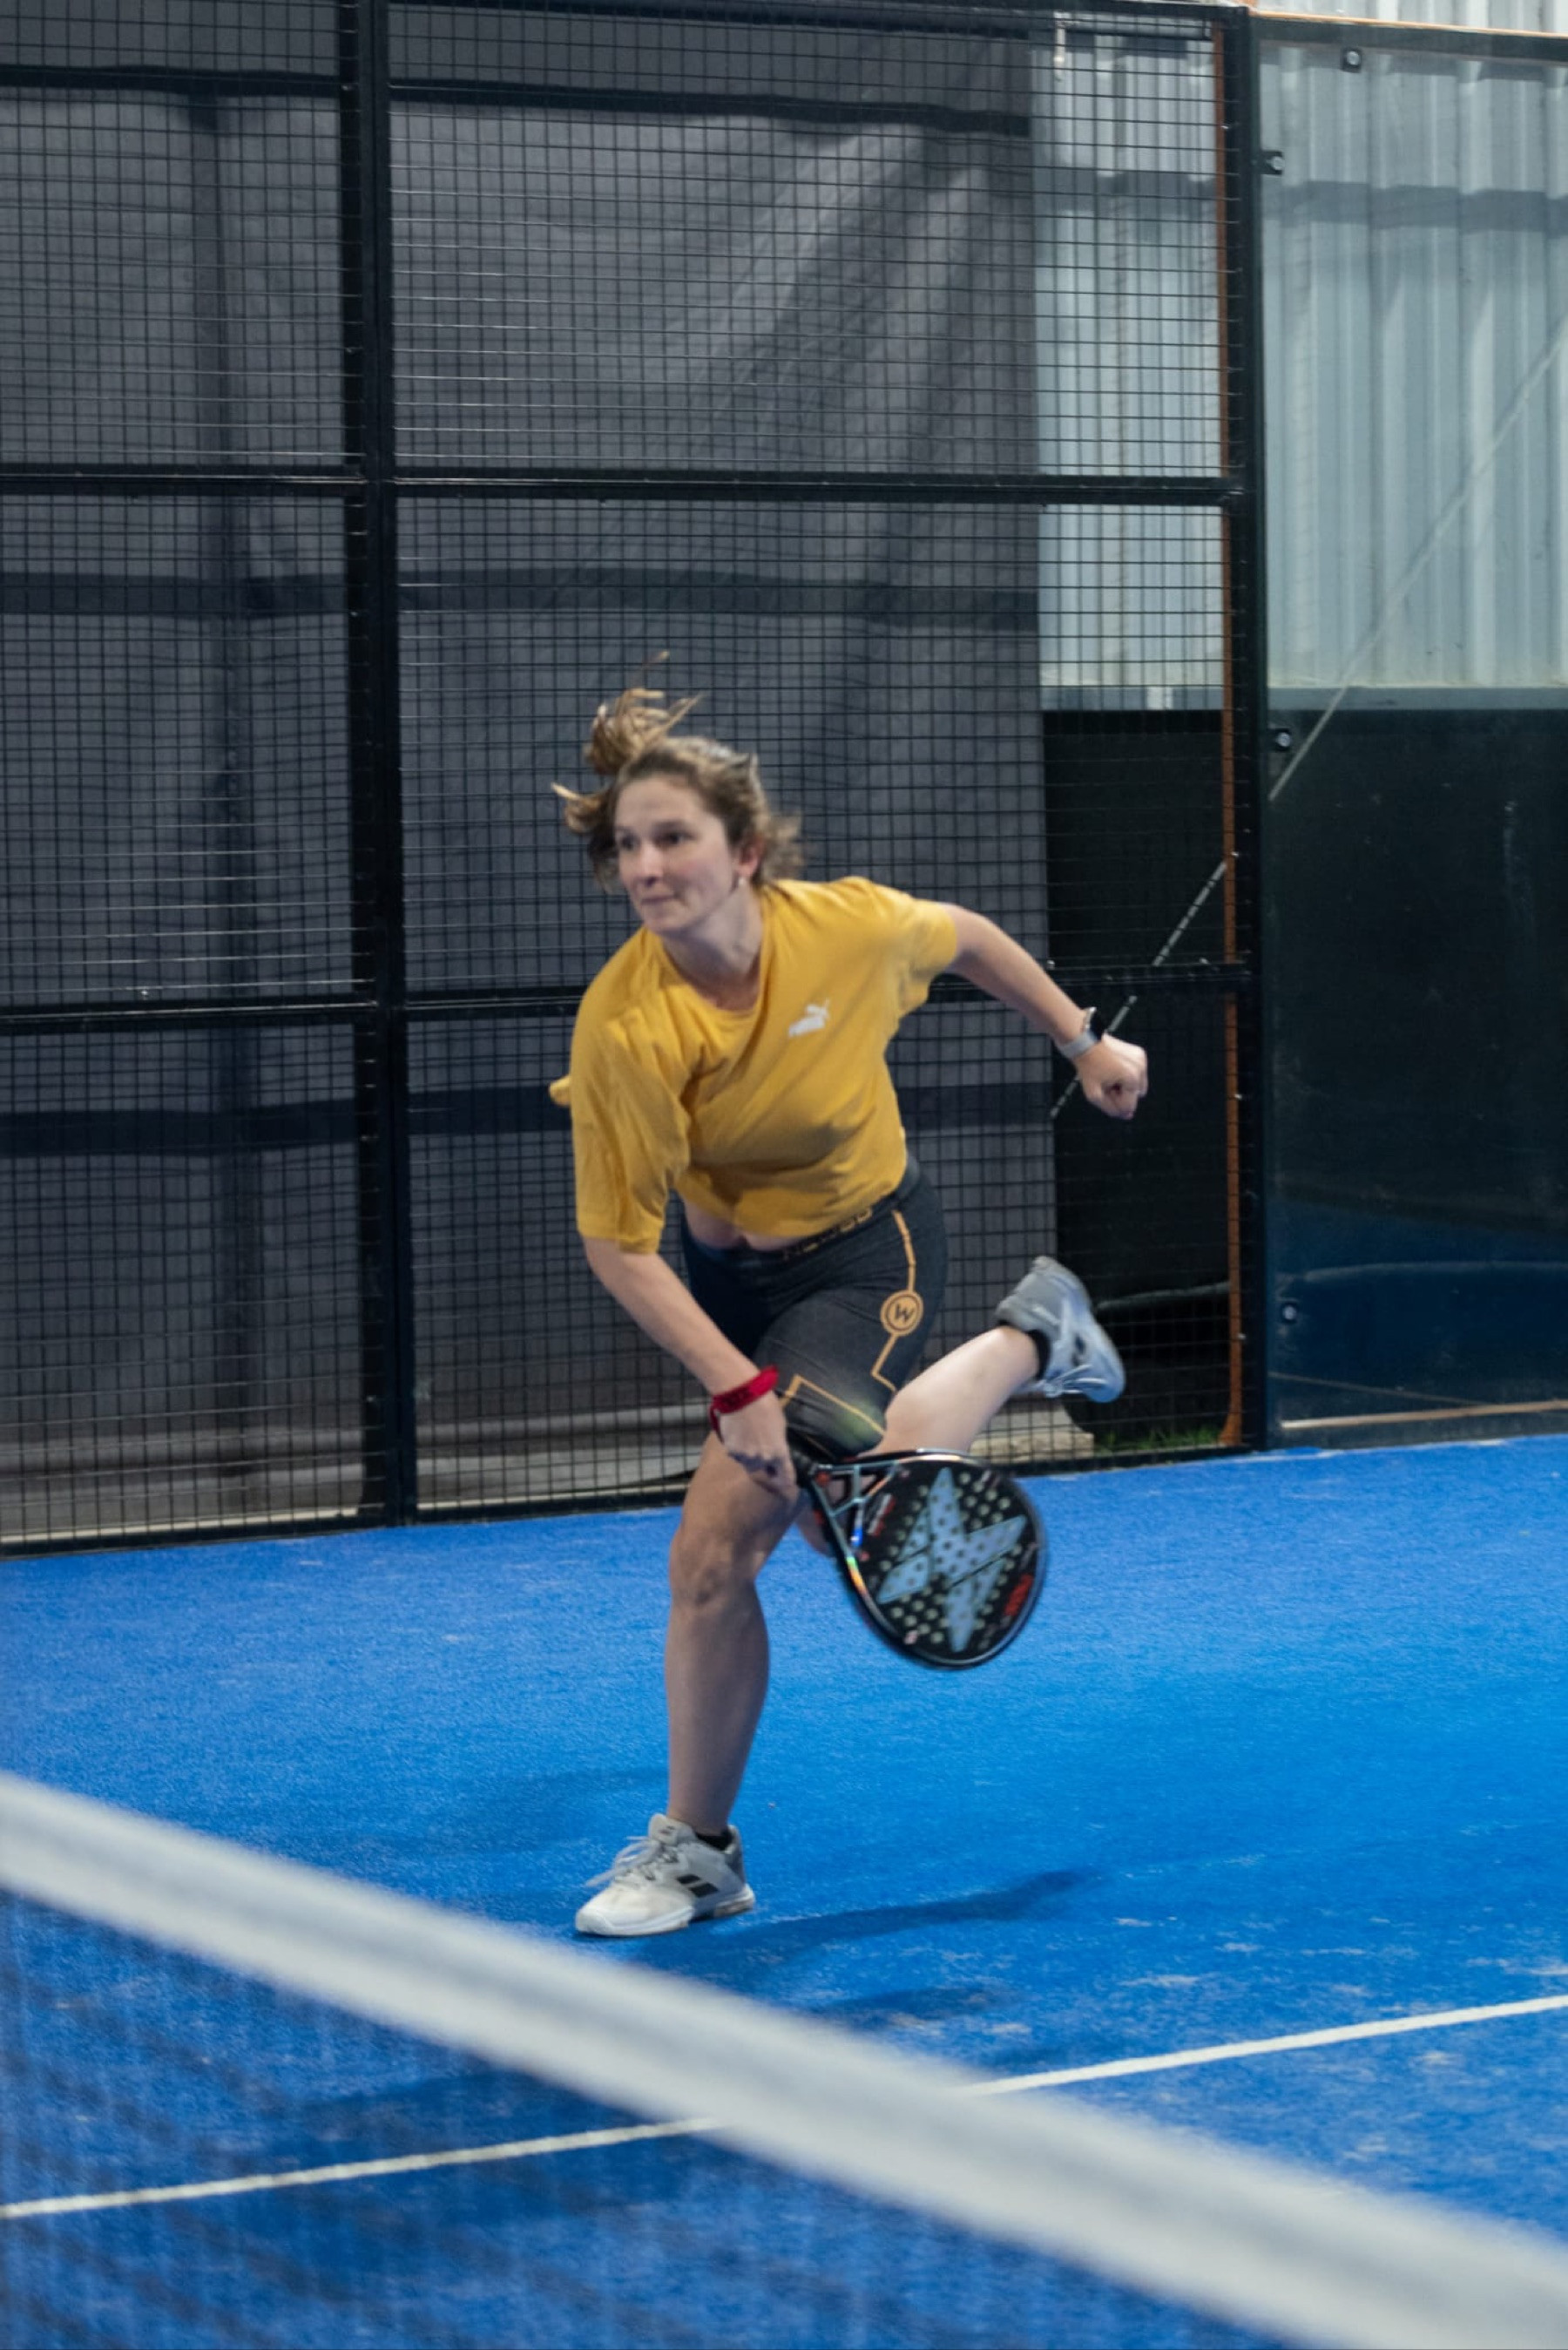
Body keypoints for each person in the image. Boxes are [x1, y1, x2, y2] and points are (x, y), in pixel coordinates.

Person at [550, 682, 1148, 1937]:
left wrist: (1082, 1040)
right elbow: (619, 1246)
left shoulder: (847, 931)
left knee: (713, 1555)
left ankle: (697, 1855)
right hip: (725, 1283)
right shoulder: (626, 1024)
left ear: (745, 851)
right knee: (843, 1521)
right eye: (630, 845)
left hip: (866, 1256)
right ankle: (1040, 1330)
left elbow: (967, 936)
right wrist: (737, 1386)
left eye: (675, 839)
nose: (648, 867)